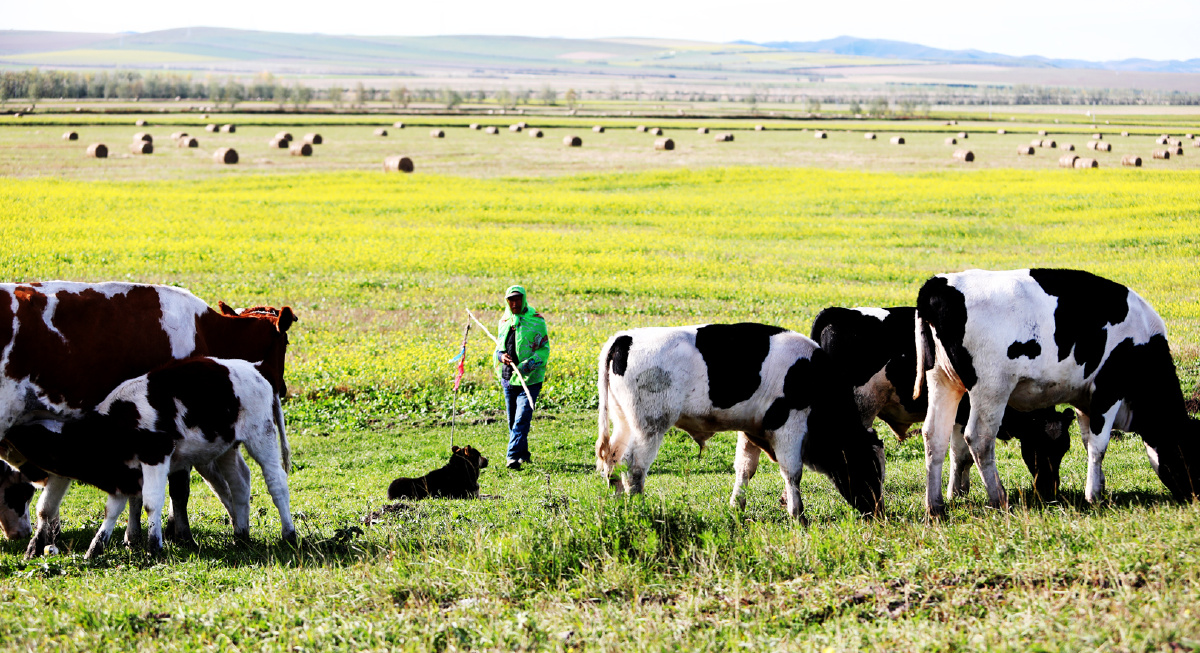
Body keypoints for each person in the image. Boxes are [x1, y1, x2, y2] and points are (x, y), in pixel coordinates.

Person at [494, 285, 550, 470]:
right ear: (507, 301)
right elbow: (498, 349)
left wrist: (528, 365)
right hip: (509, 379)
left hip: (530, 380)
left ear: (524, 299)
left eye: (518, 299)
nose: (515, 303)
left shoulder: (536, 321)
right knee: (513, 420)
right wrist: (502, 357)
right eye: (511, 300)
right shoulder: (504, 321)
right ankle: (523, 453)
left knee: (522, 418)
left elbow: (543, 349)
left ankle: (513, 456)